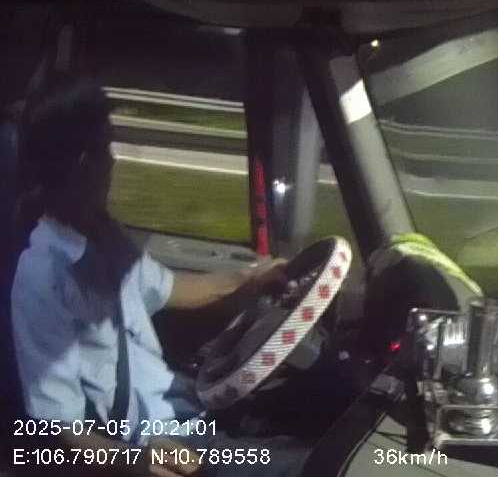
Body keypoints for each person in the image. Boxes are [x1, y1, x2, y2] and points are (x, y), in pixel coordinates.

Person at [10, 75, 305, 476]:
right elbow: (60, 429)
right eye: (106, 146)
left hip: (188, 407)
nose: (114, 161)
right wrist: (136, 464)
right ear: (83, 163)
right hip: (161, 443)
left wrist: (249, 279)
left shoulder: (103, 233)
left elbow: (171, 288)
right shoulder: (43, 278)